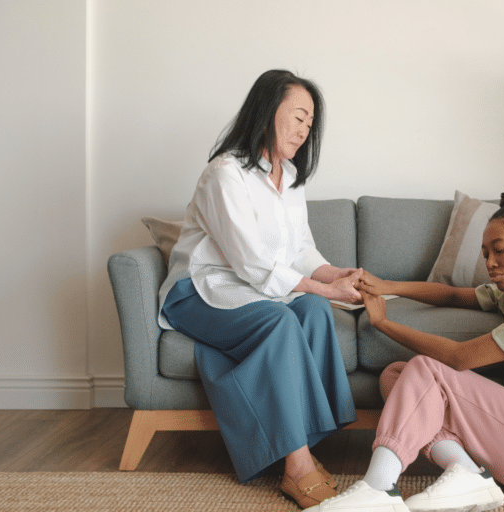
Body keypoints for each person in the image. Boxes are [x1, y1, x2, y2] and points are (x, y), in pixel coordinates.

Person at [305, 182, 504, 512]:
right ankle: (468, 474)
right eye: (486, 254)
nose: (490, 262)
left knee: (427, 369)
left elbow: (459, 358)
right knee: (396, 376)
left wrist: (384, 323)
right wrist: (387, 286)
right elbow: (453, 294)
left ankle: (377, 488)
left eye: (500, 250)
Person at [157, 69, 360, 508]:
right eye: (299, 117)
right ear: (268, 112)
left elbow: (301, 249)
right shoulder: (224, 174)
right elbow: (250, 260)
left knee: (313, 312)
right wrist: (323, 290)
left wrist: (338, 276)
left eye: (311, 123)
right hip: (198, 290)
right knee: (281, 320)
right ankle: (297, 467)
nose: (306, 130)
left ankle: (300, 441)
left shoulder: (289, 178)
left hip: (247, 286)